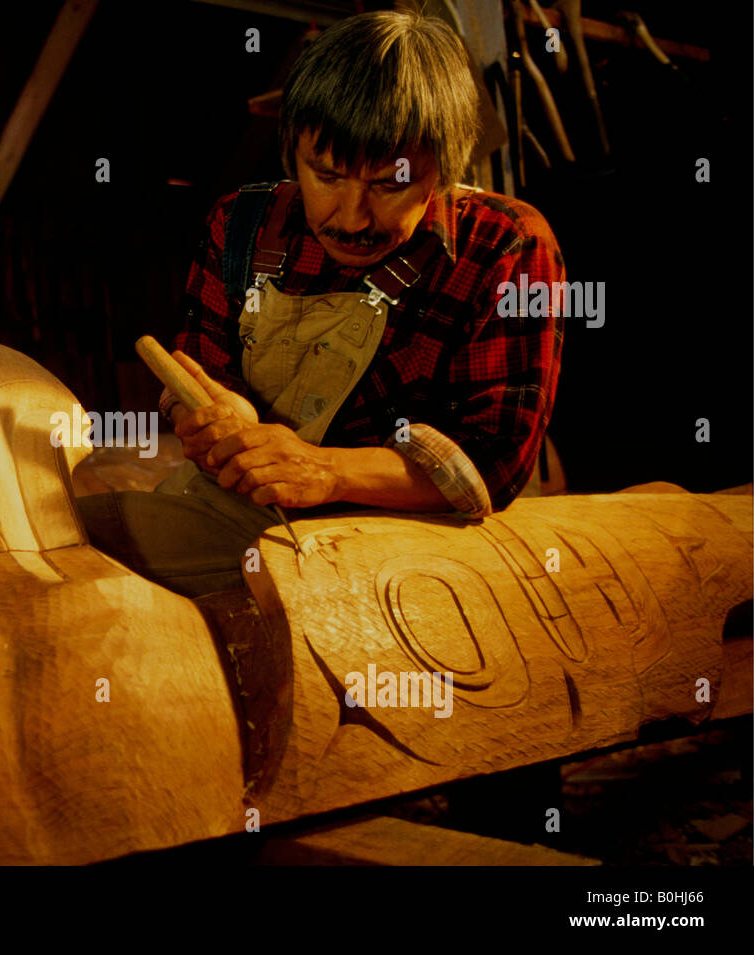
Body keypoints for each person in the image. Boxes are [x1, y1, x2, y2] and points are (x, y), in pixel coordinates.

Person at [78, 10, 564, 597]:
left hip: (429, 537)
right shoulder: (241, 225)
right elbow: (203, 373)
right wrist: (214, 416)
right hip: (255, 514)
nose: (351, 217)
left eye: (389, 185)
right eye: (327, 176)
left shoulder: (506, 245)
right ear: (293, 152)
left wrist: (323, 469)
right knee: (79, 558)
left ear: (443, 166)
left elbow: (497, 458)